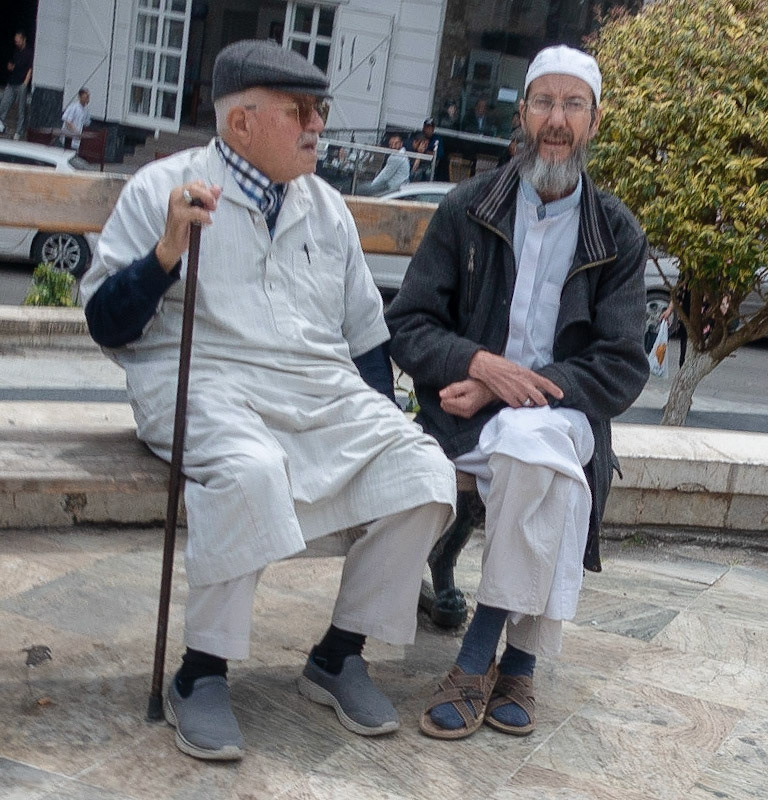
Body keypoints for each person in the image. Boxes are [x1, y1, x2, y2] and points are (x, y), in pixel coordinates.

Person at [80, 39, 455, 761]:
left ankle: (340, 654)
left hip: (315, 388)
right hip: (201, 380)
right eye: (300, 111)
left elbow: (365, 341)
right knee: (251, 472)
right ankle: (201, 672)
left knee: (423, 471)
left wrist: (381, 430)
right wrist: (165, 254)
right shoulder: (168, 186)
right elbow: (106, 325)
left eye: (320, 109)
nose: (318, 124)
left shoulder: (327, 209)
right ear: (242, 123)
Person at [387, 44, 649, 740]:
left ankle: (478, 657)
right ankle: (520, 665)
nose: (555, 121)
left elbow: (621, 365)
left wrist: (506, 386)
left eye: (572, 105)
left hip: (562, 417)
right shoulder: (468, 207)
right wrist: (477, 362)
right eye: (543, 103)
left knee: (540, 449)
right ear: (523, 113)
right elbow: (408, 326)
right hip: (462, 420)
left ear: (594, 120)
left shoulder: (615, 232)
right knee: (552, 480)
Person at [0, 31, 33, 139]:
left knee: (21, 109)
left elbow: (30, 69)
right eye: (16, 41)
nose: (17, 43)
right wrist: (11, 67)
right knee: (4, 104)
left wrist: (25, 83)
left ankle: (18, 132)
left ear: (23, 40)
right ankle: (1, 125)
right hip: (12, 82)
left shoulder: (29, 53)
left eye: (18, 41)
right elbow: (13, 65)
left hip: (21, 84)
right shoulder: (16, 52)